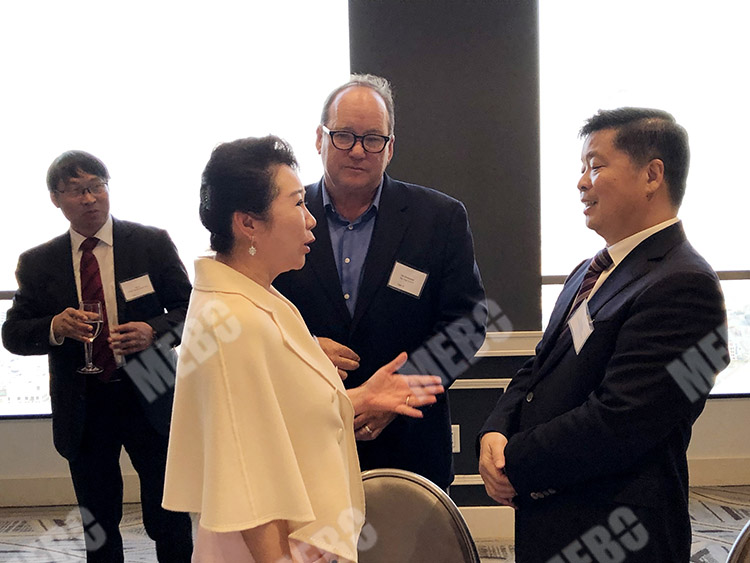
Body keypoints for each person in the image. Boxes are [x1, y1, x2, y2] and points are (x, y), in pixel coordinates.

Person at [162, 135, 444, 563]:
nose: (311, 220)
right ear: (248, 223)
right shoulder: (232, 322)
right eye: (297, 204)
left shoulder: (257, 297)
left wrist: (357, 399)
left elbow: (280, 421)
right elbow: (249, 482)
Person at [478, 108, 730, 562]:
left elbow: (622, 422)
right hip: (553, 517)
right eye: (581, 168)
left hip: (617, 535)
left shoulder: (685, 284)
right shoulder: (588, 272)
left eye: (595, 166)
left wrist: (514, 460)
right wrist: (495, 430)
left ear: (652, 175)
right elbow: (539, 366)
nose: (581, 182)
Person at [273, 74, 486, 490]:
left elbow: (467, 325)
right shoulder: (281, 218)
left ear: (390, 147)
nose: (357, 150)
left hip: (409, 444)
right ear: (319, 138)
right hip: (303, 441)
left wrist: (399, 392)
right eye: (343, 136)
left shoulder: (439, 219)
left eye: (372, 139)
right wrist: (302, 348)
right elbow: (255, 313)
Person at [1, 151, 193, 561]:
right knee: (98, 519)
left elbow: (191, 309)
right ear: (56, 198)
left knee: (169, 510)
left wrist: (153, 330)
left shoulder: (151, 243)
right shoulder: (38, 263)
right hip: (85, 400)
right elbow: (13, 334)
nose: (89, 199)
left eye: (96, 187)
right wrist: (55, 326)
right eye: (76, 190)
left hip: (151, 389)